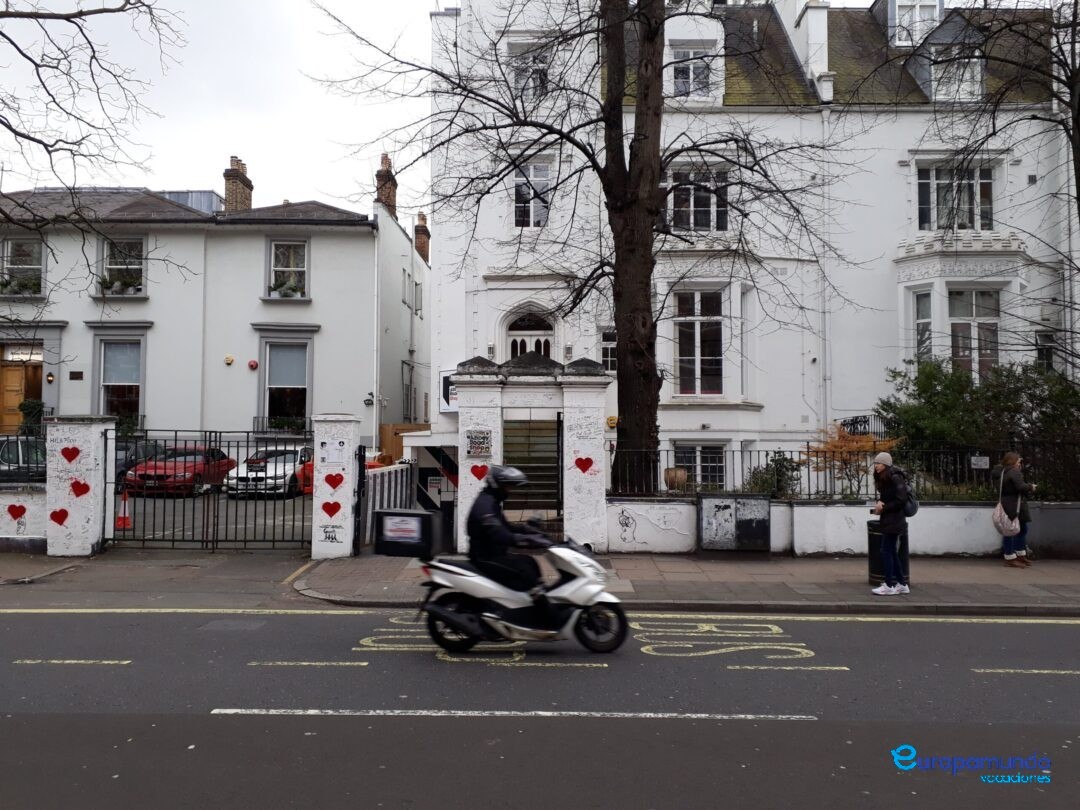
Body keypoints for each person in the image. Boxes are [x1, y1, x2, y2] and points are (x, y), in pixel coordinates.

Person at [466, 465, 551, 593]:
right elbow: (501, 535)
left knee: (530, 561)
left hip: (496, 554)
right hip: (485, 558)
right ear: (497, 485)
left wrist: (527, 529)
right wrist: (528, 540)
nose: (509, 491)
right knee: (525, 571)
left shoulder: (492, 502)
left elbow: (507, 527)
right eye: (507, 487)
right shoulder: (485, 506)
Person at [871, 452, 910, 596]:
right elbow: (889, 498)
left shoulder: (895, 477)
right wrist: (880, 505)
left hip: (895, 520)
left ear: (886, 464)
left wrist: (884, 507)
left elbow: (901, 500)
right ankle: (902, 584)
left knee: (886, 550)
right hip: (889, 519)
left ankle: (889, 585)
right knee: (891, 551)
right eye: (875, 463)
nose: (876, 466)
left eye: (879, 463)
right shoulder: (886, 478)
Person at [997, 451, 1036, 568]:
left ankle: (1019, 554)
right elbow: (1020, 486)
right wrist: (1031, 487)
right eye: (1019, 461)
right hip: (1015, 504)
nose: (1020, 463)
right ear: (1013, 461)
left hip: (1008, 503)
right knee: (1012, 531)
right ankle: (1010, 557)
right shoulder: (1014, 471)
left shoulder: (1003, 471)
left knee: (1020, 529)